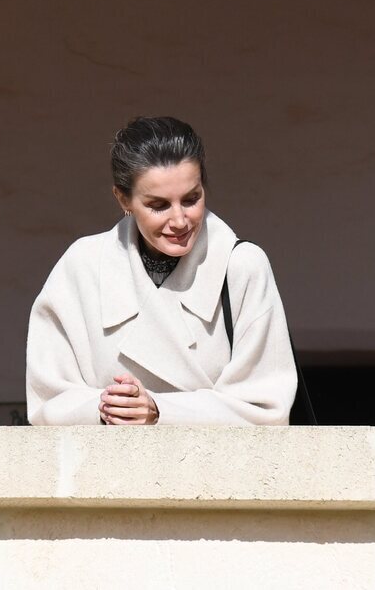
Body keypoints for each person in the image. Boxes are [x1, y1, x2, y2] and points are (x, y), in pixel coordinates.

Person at [26, 116, 297, 425]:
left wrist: (160, 411)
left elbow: (266, 409)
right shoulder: (82, 267)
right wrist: (107, 408)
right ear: (123, 199)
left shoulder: (242, 267)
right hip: (104, 470)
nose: (180, 220)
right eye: (159, 205)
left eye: (192, 199)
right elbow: (47, 401)